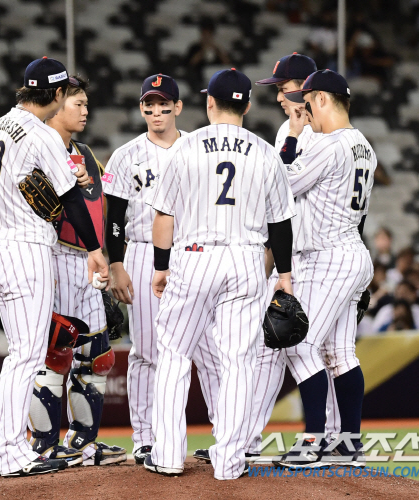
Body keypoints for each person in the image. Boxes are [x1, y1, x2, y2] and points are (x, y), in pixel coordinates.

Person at [146, 68, 297, 480]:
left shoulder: (186, 147)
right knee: (238, 362)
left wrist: (161, 268)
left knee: (175, 356)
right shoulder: (266, 152)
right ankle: (229, 462)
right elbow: (281, 224)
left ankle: (168, 456)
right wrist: (283, 274)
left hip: (194, 256)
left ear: (208, 103)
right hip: (246, 261)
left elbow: (163, 217)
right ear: (247, 105)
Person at [0, 57, 108, 478]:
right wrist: (94, 248)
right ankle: (12, 449)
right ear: (56, 95)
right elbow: (72, 199)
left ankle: (1, 449)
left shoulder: (3, 123)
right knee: (27, 356)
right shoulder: (43, 135)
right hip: (24, 250)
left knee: (19, 355)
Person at [103, 74, 222, 465]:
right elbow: (114, 217)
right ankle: (146, 436)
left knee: (208, 348)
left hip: (192, 251)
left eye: (163, 104)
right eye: (149, 104)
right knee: (148, 351)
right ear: (141, 108)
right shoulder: (125, 154)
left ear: (178, 107)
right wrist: (116, 263)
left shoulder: (199, 148)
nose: (156, 111)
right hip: (139, 251)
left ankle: (226, 435)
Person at [274, 69, 376, 468]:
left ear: (320, 99)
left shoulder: (330, 144)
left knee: (298, 343)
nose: (304, 109)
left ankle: (313, 441)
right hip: (351, 250)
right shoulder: (363, 144)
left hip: (328, 255)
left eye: (308, 100)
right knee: (339, 353)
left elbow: (280, 185)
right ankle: (350, 444)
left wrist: (294, 137)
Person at [25, 76, 126, 467]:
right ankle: (44, 445)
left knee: (97, 357)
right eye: (76, 104)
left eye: (86, 104)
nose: (84, 111)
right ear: (56, 104)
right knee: (56, 354)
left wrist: (108, 258)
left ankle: (83, 442)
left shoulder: (85, 152)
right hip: (57, 258)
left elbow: (103, 204)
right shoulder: (40, 149)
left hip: (88, 261)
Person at [243, 52, 338, 464]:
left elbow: (280, 187)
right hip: (290, 255)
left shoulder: (323, 133)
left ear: (304, 89)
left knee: (312, 349)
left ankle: (326, 438)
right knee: (265, 349)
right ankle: (244, 438)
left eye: (282, 89)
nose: (278, 97)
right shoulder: (288, 126)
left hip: (317, 258)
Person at [186, 20, 230, 91]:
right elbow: (192, 63)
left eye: (209, 34)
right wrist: (203, 50)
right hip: (199, 77)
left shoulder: (217, 48)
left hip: (217, 77)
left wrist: (216, 50)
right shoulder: (195, 47)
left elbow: (227, 63)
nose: (207, 37)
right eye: (204, 34)